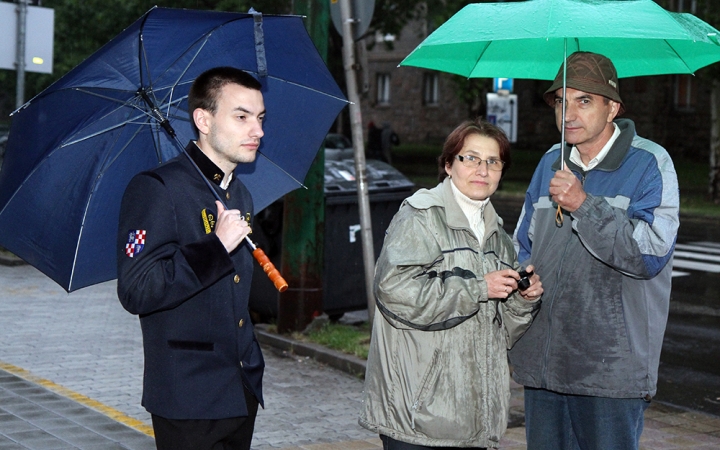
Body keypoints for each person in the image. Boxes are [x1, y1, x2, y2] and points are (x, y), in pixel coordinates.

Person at [509, 52, 680, 450]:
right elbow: (523, 244)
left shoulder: (650, 163)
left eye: (584, 100)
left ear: (613, 107)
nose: (569, 113)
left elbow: (649, 256)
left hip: (610, 372)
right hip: (545, 365)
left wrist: (583, 205)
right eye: (561, 101)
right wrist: (523, 279)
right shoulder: (552, 160)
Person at [359, 119, 543, 449]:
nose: (482, 170)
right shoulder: (421, 216)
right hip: (419, 416)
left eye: (493, 161)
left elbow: (501, 332)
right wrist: (477, 288)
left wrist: (522, 299)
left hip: (474, 417)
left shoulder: (498, 235)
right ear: (448, 164)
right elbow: (393, 292)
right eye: (470, 158)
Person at [117, 66, 266, 450]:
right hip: (188, 396)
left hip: (240, 387)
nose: (258, 131)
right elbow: (137, 290)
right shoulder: (157, 188)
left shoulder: (241, 195)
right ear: (203, 119)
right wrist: (215, 247)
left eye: (260, 118)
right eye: (242, 117)